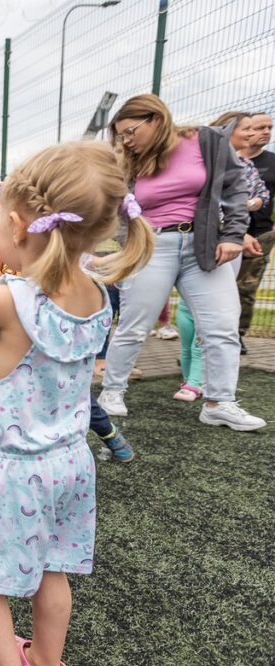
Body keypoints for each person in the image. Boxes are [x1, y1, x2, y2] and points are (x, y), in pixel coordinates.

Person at [0, 141, 153, 666]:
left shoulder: (8, 298)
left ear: (18, 226)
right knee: (52, 571)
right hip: (70, 464)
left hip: (12, 471)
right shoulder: (95, 293)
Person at [98, 94, 266, 431]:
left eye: (131, 132)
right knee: (134, 325)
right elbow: (119, 211)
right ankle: (111, 393)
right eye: (122, 136)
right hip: (151, 245)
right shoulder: (129, 161)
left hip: (203, 246)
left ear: (155, 119)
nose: (127, 141)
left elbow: (235, 189)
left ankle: (220, 402)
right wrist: (127, 248)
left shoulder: (206, 141)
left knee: (221, 327)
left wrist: (233, 235)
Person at [0, 189, 134, 464]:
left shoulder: (13, 253)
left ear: (12, 223)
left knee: (70, 394)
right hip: (5, 340)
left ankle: (111, 436)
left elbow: (7, 286)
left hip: (35, 338)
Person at [171, 111, 267, 401]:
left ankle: (204, 381)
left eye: (257, 129)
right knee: (192, 311)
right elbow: (201, 201)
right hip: (202, 239)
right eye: (246, 129)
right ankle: (192, 377)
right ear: (225, 131)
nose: (252, 135)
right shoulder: (202, 161)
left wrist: (238, 229)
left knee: (219, 315)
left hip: (230, 243)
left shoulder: (246, 165)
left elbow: (259, 197)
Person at [236, 112, 275, 351]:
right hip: (225, 232)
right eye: (260, 127)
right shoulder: (226, 159)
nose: (266, 132)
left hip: (260, 234)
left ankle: (238, 334)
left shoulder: (273, 162)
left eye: (269, 128)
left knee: (246, 288)